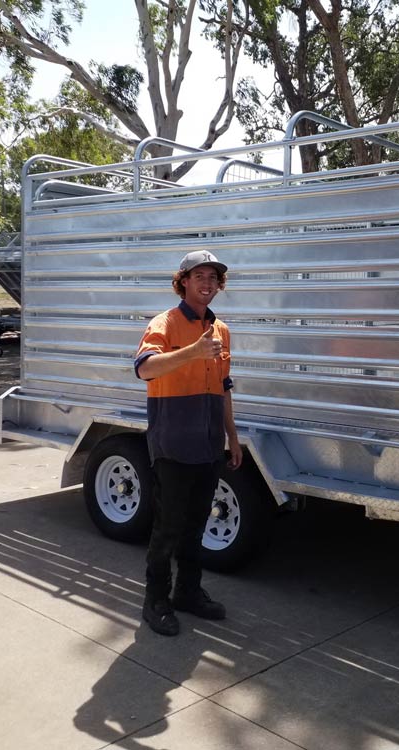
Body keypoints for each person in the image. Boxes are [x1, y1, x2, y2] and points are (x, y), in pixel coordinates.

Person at [133, 250, 243, 636]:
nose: (207, 283)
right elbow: (144, 369)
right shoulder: (165, 323)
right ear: (183, 282)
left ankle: (188, 592)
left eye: (213, 277)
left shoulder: (221, 330)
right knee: (168, 529)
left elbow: (223, 387)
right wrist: (193, 351)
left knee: (197, 526)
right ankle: (155, 601)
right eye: (199, 276)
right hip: (173, 444)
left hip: (209, 445)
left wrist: (232, 437)